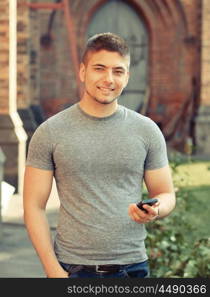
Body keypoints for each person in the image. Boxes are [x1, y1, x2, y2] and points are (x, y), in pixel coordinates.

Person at [23, 32, 176, 278]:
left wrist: (156, 209)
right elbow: (33, 206)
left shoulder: (146, 130)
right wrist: (52, 269)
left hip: (133, 268)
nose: (108, 79)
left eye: (118, 71)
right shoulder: (50, 131)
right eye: (99, 68)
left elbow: (166, 193)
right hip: (72, 269)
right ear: (83, 72)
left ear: (127, 76)